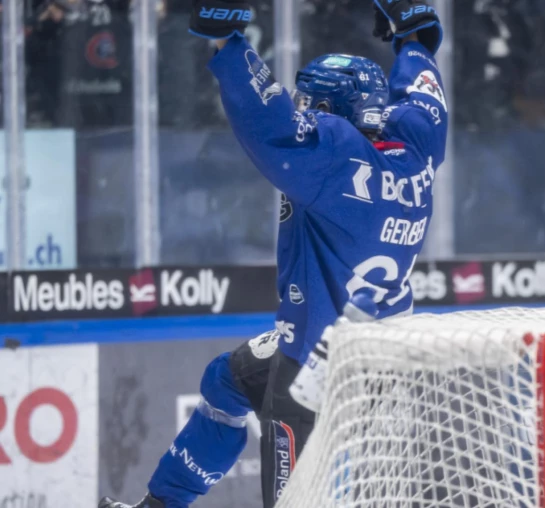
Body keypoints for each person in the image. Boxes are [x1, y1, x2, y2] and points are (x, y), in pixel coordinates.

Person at [98, 0, 446, 506]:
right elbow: (424, 93)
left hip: (315, 372)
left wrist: (227, 41)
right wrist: (412, 35)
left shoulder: (335, 157)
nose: (305, 110)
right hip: (380, 349)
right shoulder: (416, 144)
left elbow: (269, 120)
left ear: (334, 113)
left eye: (313, 104)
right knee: (230, 378)